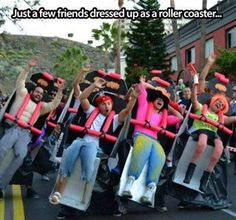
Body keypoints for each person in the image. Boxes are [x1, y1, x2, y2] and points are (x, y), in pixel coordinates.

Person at [49, 77, 139, 205]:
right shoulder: (91, 111)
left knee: (88, 163)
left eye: (108, 103)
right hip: (80, 142)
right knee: (69, 157)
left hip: (95, 147)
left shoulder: (114, 119)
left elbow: (127, 110)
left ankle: (82, 197)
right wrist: (93, 85)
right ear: (98, 105)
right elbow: (82, 98)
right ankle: (58, 192)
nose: (106, 106)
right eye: (103, 104)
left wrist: (134, 97)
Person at [0, 58, 65, 199]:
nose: (38, 94)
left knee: (21, 157)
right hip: (13, 128)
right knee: (1, 150)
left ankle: (1, 186)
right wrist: (28, 67)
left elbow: (54, 105)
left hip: (25, 134)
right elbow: (20, 81)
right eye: (37, 92)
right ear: (33, 91)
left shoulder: (41, 107)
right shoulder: (22, 94)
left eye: (41, 94)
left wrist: (60, 91)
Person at [122, 80, 183, 206]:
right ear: (153, 98)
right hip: (141, 136)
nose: (160, 100)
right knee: (143, 149)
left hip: (154, 140)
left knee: (160, 156)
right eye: (158, 98)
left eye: (163, 100)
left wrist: (168, 105)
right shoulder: (144, 104)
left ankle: (149, 191)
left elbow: (180, 117)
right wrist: (155, 89)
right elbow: (141, 86)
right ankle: (129, 184)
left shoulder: (163, 115)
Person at [183, 74, 235, 192]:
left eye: (222, 104)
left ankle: (204, 180)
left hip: (212, 133)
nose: (220, 104)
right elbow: (194, 100)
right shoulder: (202, 108)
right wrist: (194, 86)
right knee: (202, 142)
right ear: (213, 101)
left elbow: (231, 119)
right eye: (218, 102)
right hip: (199, 130)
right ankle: (189, 174)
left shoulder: (220, 117)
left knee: (219, 148)